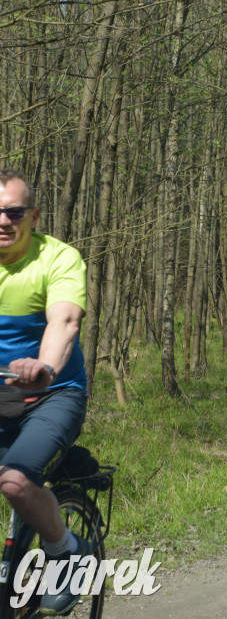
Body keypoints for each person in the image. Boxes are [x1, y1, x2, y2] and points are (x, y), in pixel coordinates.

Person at [0, 170, 91, 615]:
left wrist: (45, 366)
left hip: (53, 395)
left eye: (13, 211)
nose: (3, 220)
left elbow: (65, 321)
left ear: (33, 216)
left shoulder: (58, 258)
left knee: (15, 483)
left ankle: (67, 551)